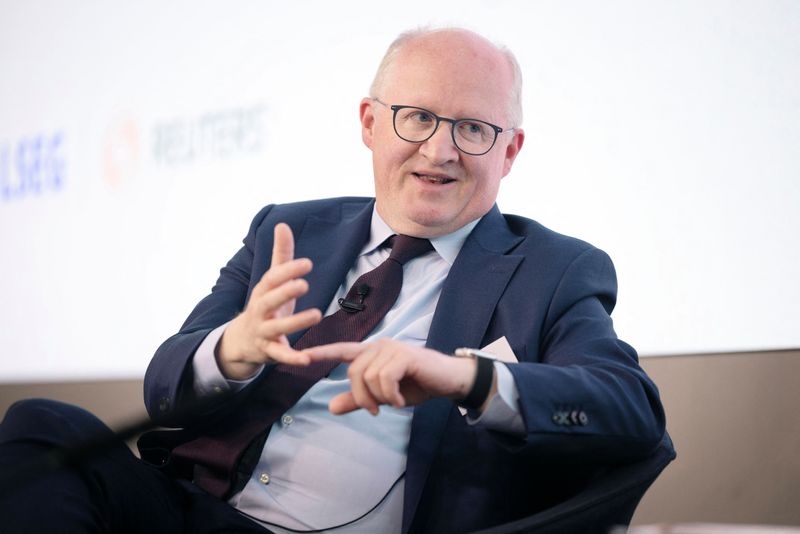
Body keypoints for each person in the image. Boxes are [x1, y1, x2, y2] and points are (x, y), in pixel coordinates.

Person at [0, 27, 669, 533]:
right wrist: (233, 349)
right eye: (418, 118)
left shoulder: (552, 270)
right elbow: (164, 386)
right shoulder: (287, 231)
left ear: (510, 151)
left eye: (472, 128)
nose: (440, 151)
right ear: (370, 123)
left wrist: (466, 378)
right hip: (197, 509)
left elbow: (631, 411)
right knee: (41, 429)